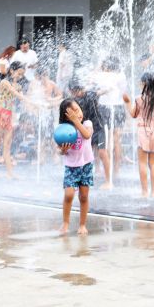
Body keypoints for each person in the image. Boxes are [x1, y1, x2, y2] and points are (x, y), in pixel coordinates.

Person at [0, 62, 33, 178]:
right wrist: (28, 100)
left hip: (8, 116)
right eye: (19, 73)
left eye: (22, 74)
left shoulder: (18, 85)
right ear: (12, 71)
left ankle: (10, 173)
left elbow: (23, 96)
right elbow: (15, 94)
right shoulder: (4, 82)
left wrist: (36, 105)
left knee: (7, 145)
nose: (20, 76)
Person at [123, 73, 154, 198]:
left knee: (142, 162)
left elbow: (133, 114)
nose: (140, 84)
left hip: (143, 131)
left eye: (141, 82)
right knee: (153, 163)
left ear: (145, 84)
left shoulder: (139, 98)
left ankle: (144, 191)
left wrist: (128, 102)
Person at [57, 99, 94, 235]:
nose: (77, 114)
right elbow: (60, 150)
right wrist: (63, 150)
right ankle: (65, 222)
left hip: (86, 165)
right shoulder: (64, 130)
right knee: (68, 195)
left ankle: (82, 225)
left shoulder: (87, 124)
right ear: (66, 117)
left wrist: (77, 121)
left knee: (84, 196)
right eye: (73, 113)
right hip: (71, 166)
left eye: (78, 110)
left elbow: (87, 134)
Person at [89, 57, 128, 188]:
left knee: (107, 140)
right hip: (119, 107)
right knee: (117, 140)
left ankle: (106, 170)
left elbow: (91, 79)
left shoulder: (101, 75)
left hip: (105, 108)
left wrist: (98, 66)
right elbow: (124, 93)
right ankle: (116, 170)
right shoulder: (121, 75)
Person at [69, 80, 107, 189]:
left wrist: (108, 89)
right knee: (84, 153)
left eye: (74, 92)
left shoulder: (90, 94)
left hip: (98, 128)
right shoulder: (75, 100)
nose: (74, 95)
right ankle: (82, 178)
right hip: (86, 129)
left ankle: (108, 180)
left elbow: (99, 92)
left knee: (102, 152)